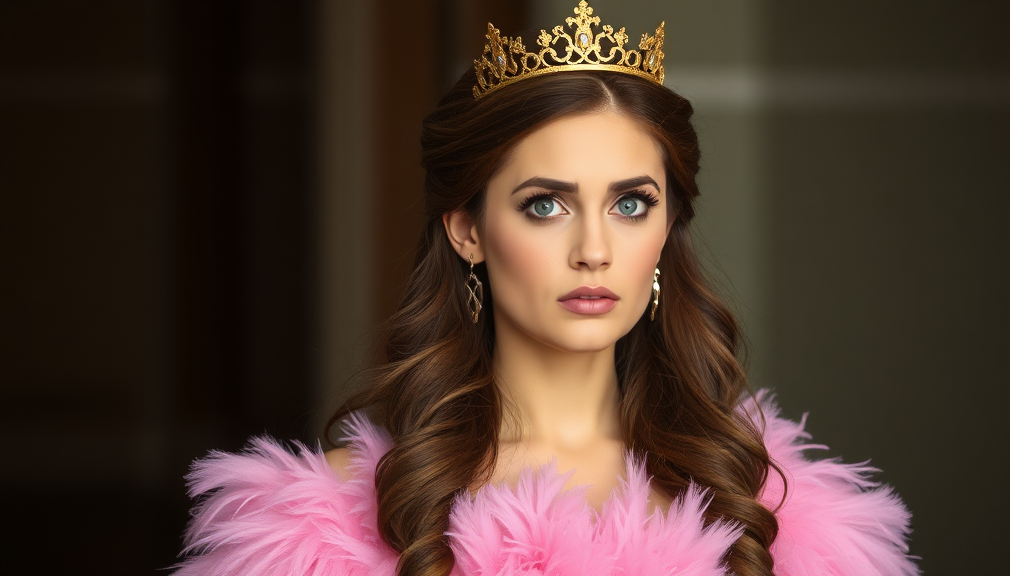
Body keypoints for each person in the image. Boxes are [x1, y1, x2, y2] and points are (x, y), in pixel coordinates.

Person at [173, 3, 918, 575]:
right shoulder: (328, 521)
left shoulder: (768, 504)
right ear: (467, 230)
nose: (594, 250)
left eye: (631, 204)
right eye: (544, 205)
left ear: (667, 229)